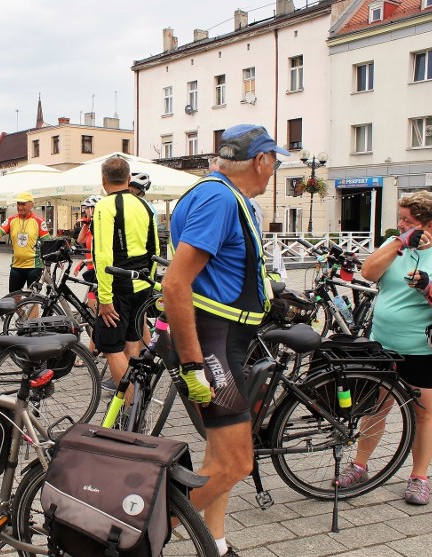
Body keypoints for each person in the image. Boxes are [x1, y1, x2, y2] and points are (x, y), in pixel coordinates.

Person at [162, 124, 287, 557]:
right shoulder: (218, 199)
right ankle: (144, 534)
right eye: (275, 162)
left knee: (219, 457)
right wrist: (195, 363)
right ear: (261, 160)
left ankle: (214, 546)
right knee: (237, 463)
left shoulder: (224, 195)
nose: (274, 172)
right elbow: (175, 284)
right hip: (213, 344)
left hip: (223, 339)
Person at [338, 191, 432, 506]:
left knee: (422, 413)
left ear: (429, 224)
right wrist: (399, 242)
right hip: (382, 343)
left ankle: (419, 477)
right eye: (400, 219)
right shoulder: (393, 246)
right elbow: (368, 273)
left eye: (407, 221)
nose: (400, 225)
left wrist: (428, 287)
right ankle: (360, 466)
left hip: (422, 349)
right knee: (376, 408)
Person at [92, 157, 157, 392]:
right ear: (128, 179)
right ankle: (136, 404)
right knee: (133, 343)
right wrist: (149, 281)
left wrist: (105, 298)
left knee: (111, 349)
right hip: (142, 283)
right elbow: (155, 248)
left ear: (103, 180)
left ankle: (129, 407)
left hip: (118, 284)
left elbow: (103, 255)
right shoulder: (144, 205)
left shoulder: (105, 205)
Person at [0, 192, 50, 294]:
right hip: (16, 266)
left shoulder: (39, 221)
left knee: (32, 301)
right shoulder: (11, 220)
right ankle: (22, 311)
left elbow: (48, 243)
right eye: (18, 204)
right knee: (13, 300)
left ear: (31, 205)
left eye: (23, 204)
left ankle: (29, 309)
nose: (20, 207)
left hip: (34, 267)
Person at [75, 194, 101, 358]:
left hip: (99, 274)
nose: (85, 212)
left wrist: (87, 260)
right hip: (92, 273)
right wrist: (86, 224)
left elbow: (103, 252)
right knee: (92, 312)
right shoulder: (92, 226)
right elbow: (80, 240)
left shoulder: (102, 227)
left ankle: (92, 352)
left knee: (95, 315)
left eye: (87, 209)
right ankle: (100, 348)